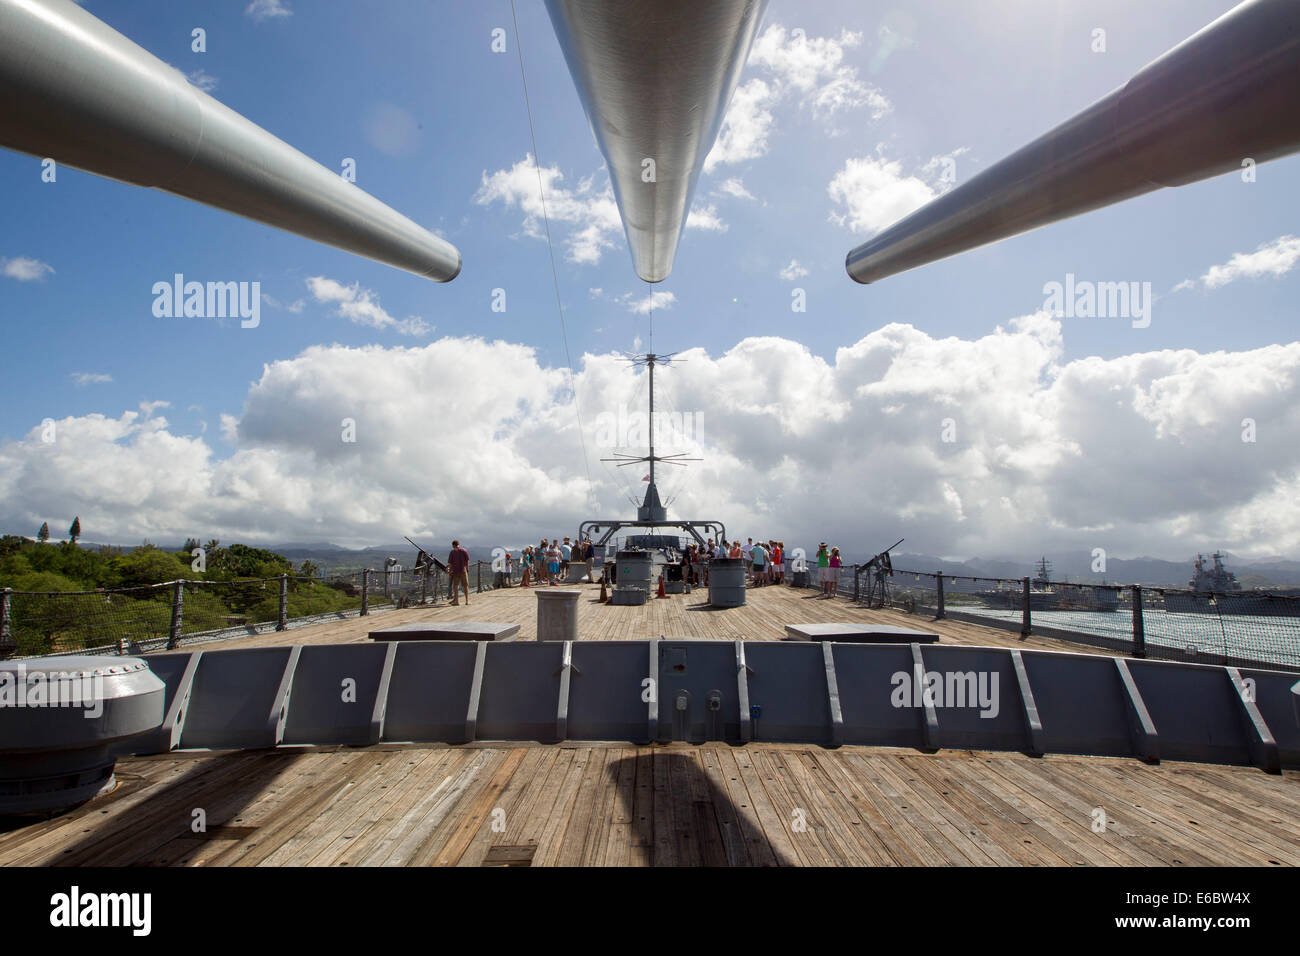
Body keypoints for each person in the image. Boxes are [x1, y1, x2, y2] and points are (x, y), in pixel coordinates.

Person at [448, 539, 471, 605]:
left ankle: (457, 601)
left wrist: (450, 570)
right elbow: (467, 561)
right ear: (458, 544)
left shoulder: (452, 552)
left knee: (456, 586)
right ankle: (467, 601)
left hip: (455, 571)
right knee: (465, 586)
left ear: (453, 545)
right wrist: (467, 569)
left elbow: (450, 563)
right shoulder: (464, 551)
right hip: (463, 570)